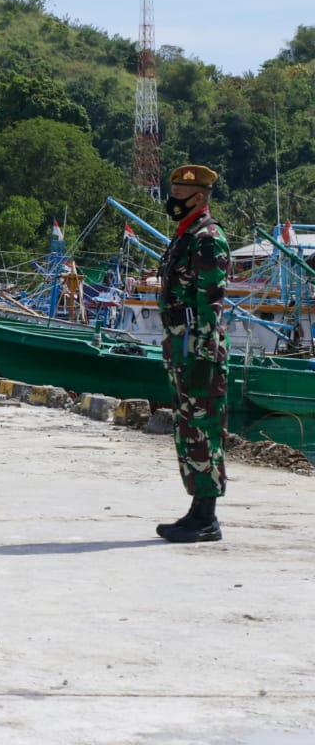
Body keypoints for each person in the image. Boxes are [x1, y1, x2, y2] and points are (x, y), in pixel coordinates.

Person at [156, 164, 230, 543]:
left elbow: (210, 304)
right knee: (187, 430)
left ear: (199, 197)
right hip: (181, 347)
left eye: (179, 195)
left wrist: (203, 355)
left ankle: (207, 517)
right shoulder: (185, 236)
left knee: (203, 430)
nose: (172, 201)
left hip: (199, 350)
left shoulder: (207, 239)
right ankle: (196, 510)